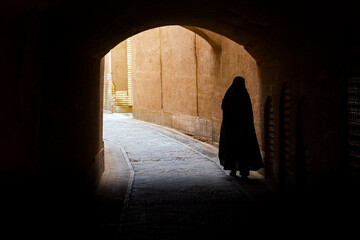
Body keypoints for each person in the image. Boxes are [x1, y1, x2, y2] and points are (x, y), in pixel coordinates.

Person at [218, 76, 263, 179]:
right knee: (244, 152)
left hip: (231, 130)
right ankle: (244, 172)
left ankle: (233, 170)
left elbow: (224, 107)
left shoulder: (229, 93)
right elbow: (249, 113)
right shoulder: (244, 94)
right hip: (244, 131)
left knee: (232, 151)